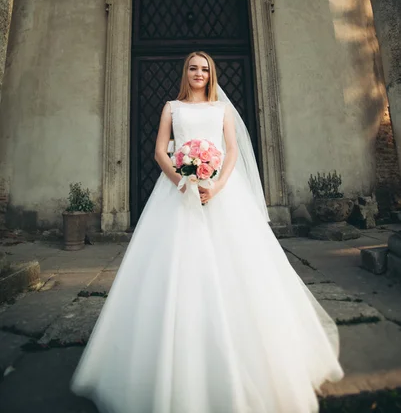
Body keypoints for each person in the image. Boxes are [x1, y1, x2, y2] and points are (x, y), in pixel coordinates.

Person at [71, 51, 344, 413]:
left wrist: (215, 187)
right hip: (177, 192)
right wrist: (182, 182)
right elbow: (159, 152)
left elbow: (231, 152)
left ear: (211, 74)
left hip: (221, 193)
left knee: (241, 268)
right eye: (193, 68)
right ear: (185, 73)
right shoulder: (172, 108)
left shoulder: (221, 110)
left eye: (204, 69)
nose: (199, 73)